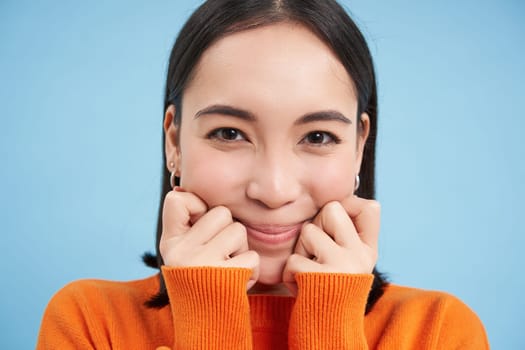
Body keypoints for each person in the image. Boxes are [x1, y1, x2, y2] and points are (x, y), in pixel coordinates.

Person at [37, 0, 489, 349]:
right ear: (174, 142)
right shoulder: (91, 324)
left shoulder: (438, 332)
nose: (273, 190)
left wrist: (331, 321)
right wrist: (209, 316)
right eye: (230, 132)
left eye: (317, 137)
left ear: (358, 147)